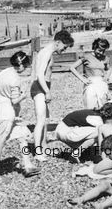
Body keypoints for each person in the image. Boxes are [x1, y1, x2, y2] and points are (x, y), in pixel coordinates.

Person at [0, 51, 39, 180]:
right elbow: (15, 100)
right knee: (0, 142)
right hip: (8, 112)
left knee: (22, 135)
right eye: (25, 66)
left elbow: (0, 90)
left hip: (1, 107)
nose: (25, 69)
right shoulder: (15, 79)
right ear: (21, 65)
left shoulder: (3, 73)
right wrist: (24, 94)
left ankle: (27, 165)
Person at [32, 29, 74, 161]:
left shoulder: (49, 52)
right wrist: (47, 91)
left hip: (43, 87)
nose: (65, 50)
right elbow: (39, 75)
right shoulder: (46, 52)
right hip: (40, 88)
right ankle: (37, 152)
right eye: (64, 47)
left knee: (46, 119)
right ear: (58, 42)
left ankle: (43, 146)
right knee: (40, 120)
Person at [71, 38, 109, 110]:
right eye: (99, 50)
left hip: (102, 84)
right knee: (90, 107)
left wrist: (106, 77)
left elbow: (107, 70)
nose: (101, 53)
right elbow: (72, 67)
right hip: (91, 84)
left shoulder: (105, 58)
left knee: (103, 107)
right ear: (94, 47)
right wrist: (83, 79)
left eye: (103, 51)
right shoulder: (87, 57)